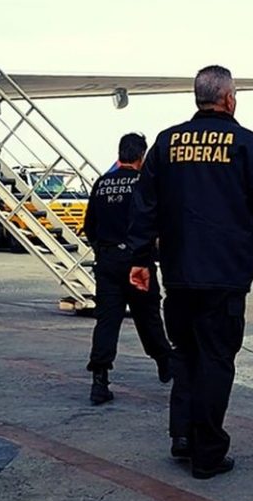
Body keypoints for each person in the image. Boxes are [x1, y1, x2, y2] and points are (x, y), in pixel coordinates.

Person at [128, 65, 253, 479]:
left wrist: (140, 260)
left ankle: (183, 436)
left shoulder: (166, 143)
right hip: (225, 274)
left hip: (179, 273)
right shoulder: (245, 143)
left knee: (186, 355)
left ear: (197, 97)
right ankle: (208, 451)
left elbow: (144, 206)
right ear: (230, 98)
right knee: (217, 359)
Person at [84, 133, 173, 406]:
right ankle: (165, 363)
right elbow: (156, 221)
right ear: (141, 156)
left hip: (108, 261)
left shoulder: (101, 184)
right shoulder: (143, 183)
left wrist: (103, 249)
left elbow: (90, 226)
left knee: (107, 321)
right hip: (138, 260)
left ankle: (99, 381)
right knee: (148, 316)